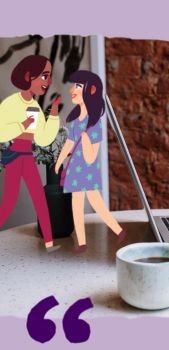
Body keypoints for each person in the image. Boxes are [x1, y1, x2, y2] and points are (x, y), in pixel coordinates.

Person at [55, 70, 126, 254]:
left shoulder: (94, 124)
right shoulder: (76, 121)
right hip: (74, 171)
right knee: (76, 204)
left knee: (96, 204)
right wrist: (59, 161)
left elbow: (91, 157)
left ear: (91, 90)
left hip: (87, 170)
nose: (72, 90)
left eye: (78, 86)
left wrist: (86, 140)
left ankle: (118, 231)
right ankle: (83, 242)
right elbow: (69, 143)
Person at [0, 55, 62, 252]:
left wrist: (52, 115)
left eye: (50, 76)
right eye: (44, 76)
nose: (49, 81)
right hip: (14, 156)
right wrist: (22, 125)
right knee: (9, 202)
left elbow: (43, 139)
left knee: (40, 198)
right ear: (28, 76)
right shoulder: (12, 104)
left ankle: (50, 243)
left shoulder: (35, 106)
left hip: (27, 156)